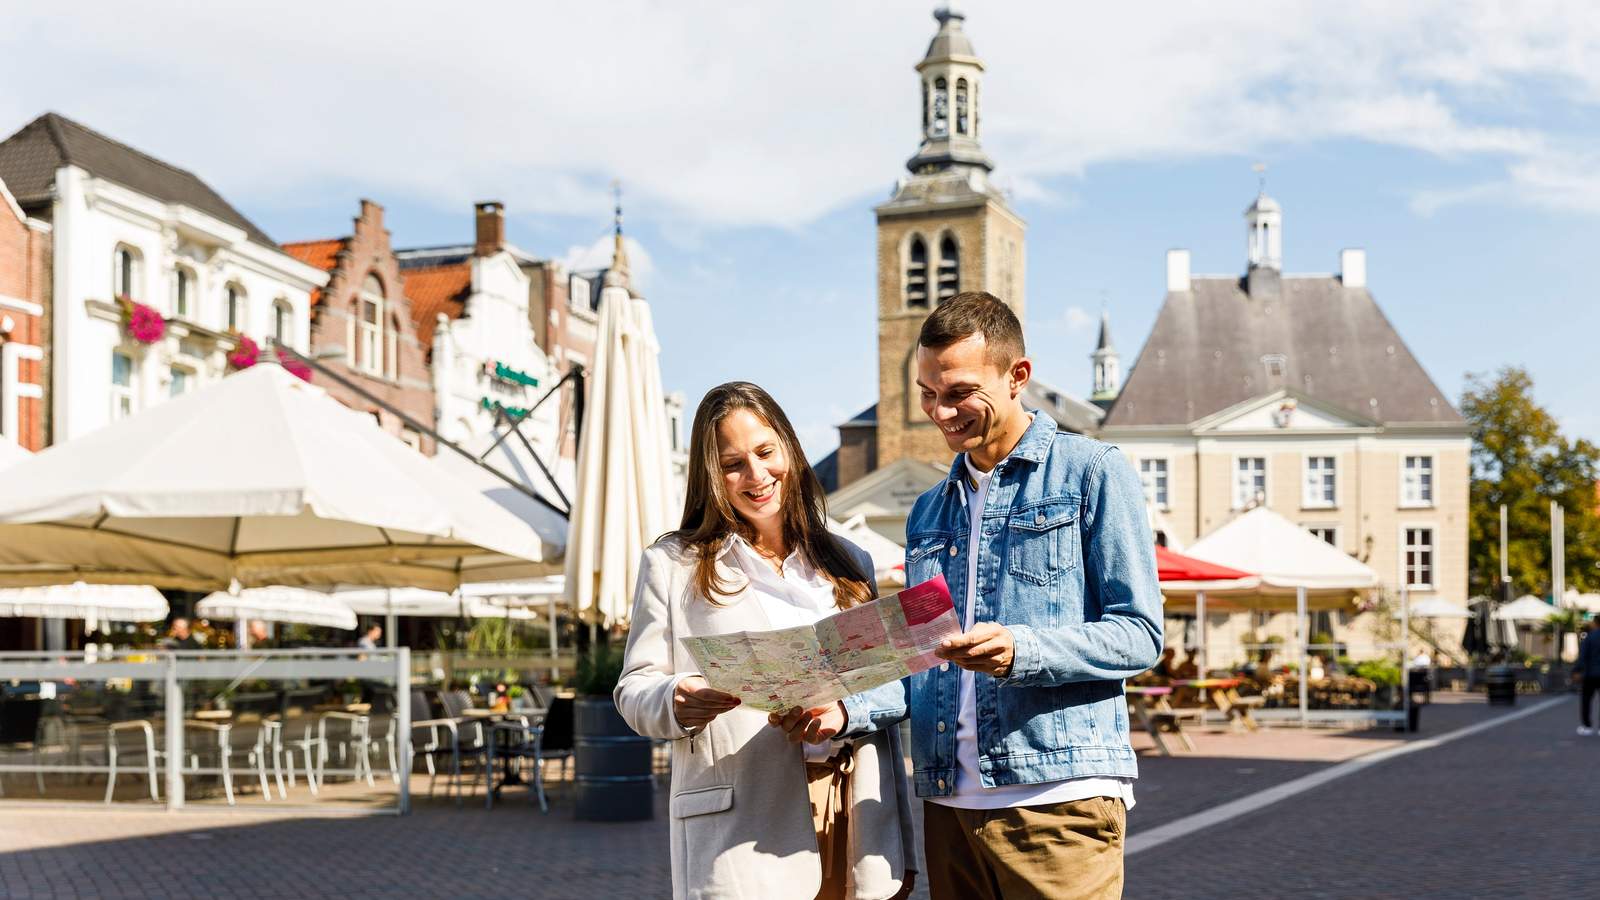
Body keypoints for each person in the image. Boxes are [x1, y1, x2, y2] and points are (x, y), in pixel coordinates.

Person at [898, 292, 1163, 900]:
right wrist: (841, 708)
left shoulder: (1092, 471)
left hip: (1059, 800)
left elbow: (1141, 634)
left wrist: (1023, 650)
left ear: (1018, 376)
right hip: (947, 803)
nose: (941, 412)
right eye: (927, 393)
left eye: (960, 392)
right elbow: (920, 656)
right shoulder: (928, 510)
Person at [615, 382, 916, 900]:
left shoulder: (850, 562)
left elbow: (889, 684)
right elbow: (633, 689)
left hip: (854, 809)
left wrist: (844, 709)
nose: (756, 475)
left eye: (765, 452)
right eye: (733, 464)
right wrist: (676, 697)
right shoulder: (673, 564)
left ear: (790, 450)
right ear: (711, 475)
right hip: (742, 828)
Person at [1576, 620, 1600, 737]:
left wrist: (1577, 670)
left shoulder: (1589, 637)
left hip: (1590, 674)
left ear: (1595, 623)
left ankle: (1587, 726)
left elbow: (1582, 656)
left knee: (1586, 700)